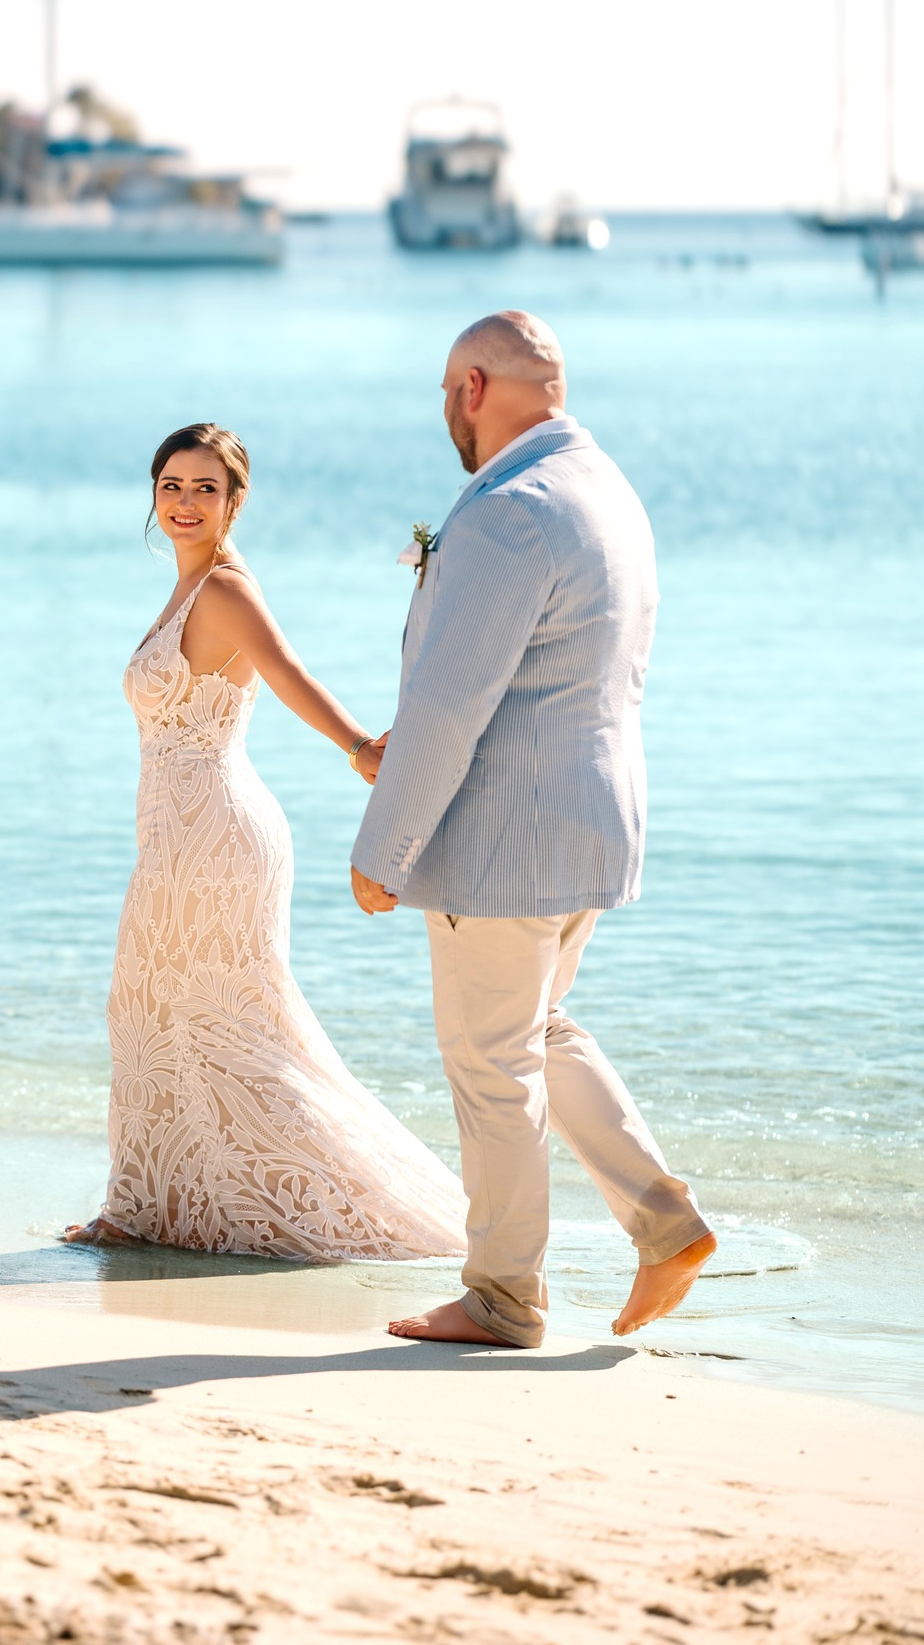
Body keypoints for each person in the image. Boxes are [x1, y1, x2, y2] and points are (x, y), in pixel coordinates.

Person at [350, 312, 715, 1347]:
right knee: (536, 1029)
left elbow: (452, 700)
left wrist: (384, 847)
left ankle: (503, 1296)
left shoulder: (510, 508)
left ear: (473, 385)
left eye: (445, 393)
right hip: (589, 819)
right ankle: (665, 1224)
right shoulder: (607, 490)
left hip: (503, 835)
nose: (446, 413)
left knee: (489, 1062)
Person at [66, 422, 465, 1260]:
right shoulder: (187, 587)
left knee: (224, 1021)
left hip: (215, 833)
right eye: (171, 486)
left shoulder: (224, 590)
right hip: (177, 832)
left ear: (235, 502)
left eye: (204, 489)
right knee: (152, 1008)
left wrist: (358, 746)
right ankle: (151, 1202)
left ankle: (170, 1207)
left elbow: (288, 674)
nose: (184, 503)